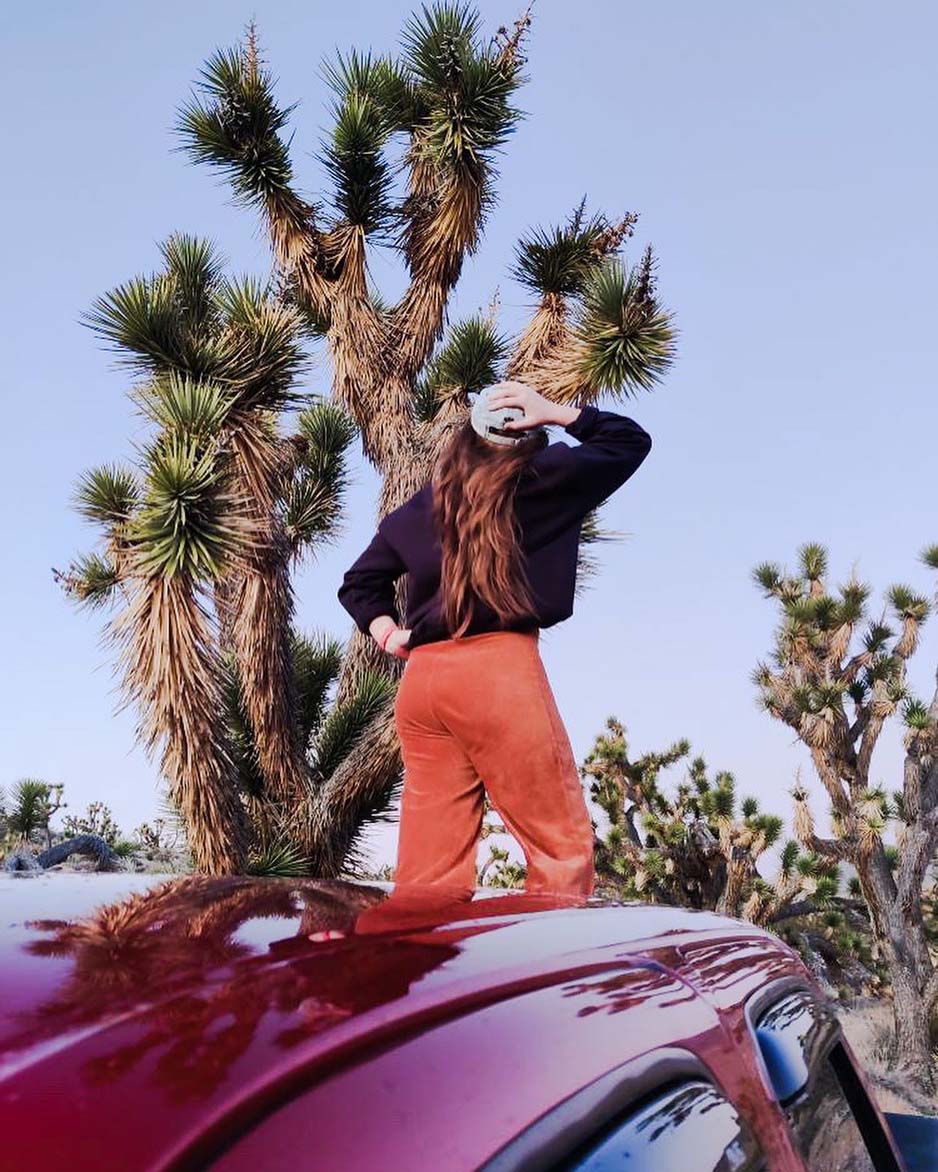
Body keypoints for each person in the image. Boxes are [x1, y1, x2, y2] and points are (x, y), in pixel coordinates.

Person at [338, 380, 652, 899]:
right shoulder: (542, 480)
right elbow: (627, 441)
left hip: (424, 683)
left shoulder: (424, 508)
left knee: (427, 873)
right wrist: (554, 411)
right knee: (559, 850)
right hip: (497, 672)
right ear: (526, 438)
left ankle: (418, 971)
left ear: (465, 440)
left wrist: (388, 632)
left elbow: (358, 582)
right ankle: (543, 973)